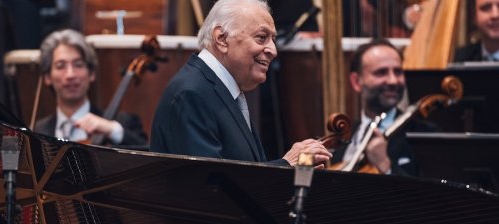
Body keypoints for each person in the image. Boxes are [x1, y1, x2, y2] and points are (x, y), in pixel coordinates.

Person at [150, 0, 331, 166]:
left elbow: (245, 172)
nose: (273, 50)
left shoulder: (222, 89)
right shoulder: (191, 94)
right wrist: (287, 164)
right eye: (261, 37)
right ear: (221, 39)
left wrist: (301, 164)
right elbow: (211, 189)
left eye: (273, 39)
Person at [331, 39, 434, 176]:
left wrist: (385, 166)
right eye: (381, 72)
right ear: (356, 81)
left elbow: (429, 194)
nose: (393, 81)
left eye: (398, 72)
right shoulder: (345, 137)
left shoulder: (424, 134)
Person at [34, 29, 147, 147]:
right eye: (60, 66)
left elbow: (149, 154)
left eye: (78, 64)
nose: (70, 75)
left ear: (92, 73)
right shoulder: (37, 130)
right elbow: (13, 164)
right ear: (47, 77)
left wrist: (112, 130)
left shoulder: (122, 123)